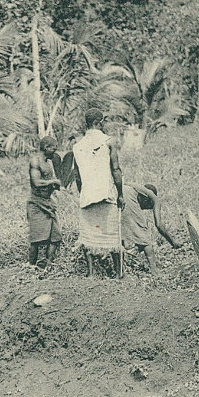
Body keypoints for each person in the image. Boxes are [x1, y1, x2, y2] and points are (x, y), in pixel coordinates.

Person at [71, 108, 125, 278]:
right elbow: (116, 169)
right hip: (106, 193)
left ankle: (91, 273)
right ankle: (118, 274)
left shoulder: (77, 146)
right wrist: (121, 194)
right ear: (99, 123)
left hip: (87, 195)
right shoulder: (108, 141)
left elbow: (77, 176)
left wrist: (83, 193)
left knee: (88, 236)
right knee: (113, 235)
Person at [120, 184, 182, 274]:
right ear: (146, 199)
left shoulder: (135, 188)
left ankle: (120, 270)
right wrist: (173, 242)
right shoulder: (155, 199)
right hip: (124, 195)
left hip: (117, 193)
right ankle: (154, 271)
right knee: (144, 236)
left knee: (119, 233)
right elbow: (159, 224)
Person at [27, 136, 62, 268]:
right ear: (46, 147)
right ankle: (31, 266)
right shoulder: (35, 161)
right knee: (36, 238)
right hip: (36, 203)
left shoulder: (49, 162)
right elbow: (36, 182)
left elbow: (48, 180)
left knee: (55, 236)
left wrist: (55, 186)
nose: (55, 152)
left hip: (48, 203)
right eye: (53, 149)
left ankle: (48, 263)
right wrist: (52, 182)